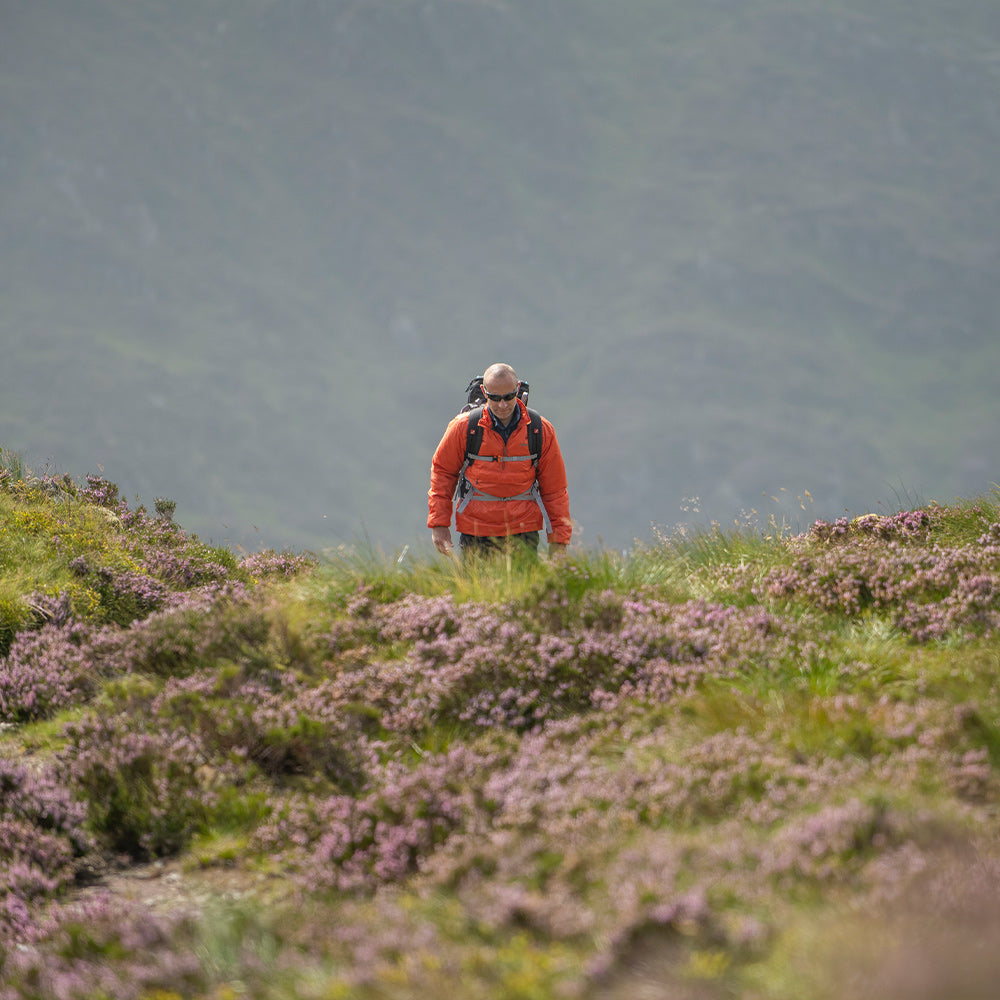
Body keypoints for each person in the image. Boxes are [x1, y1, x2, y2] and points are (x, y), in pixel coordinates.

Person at [428, 363, 572, 558]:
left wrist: (559, 541)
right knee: (476, 588)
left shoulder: (539, 430)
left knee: (522, 589)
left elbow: (555, 490)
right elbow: (442, 473)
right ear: (484, 392)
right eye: (495, 398)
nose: (502, 404)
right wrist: (439, 524)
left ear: (517, 389)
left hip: (523, 531)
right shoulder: (464, 427)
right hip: (476, 531)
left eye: (508, 397)